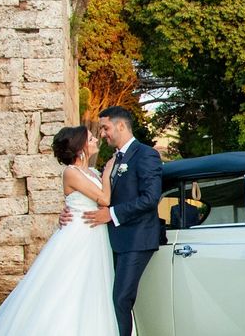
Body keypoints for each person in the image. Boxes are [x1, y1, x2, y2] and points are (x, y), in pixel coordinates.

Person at [0, 126, 119, 336]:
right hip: (79, 235)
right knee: (67, 287)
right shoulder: (71, 173)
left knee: (92, 288)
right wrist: (108, 173)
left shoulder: (91, 172)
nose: (95, 141)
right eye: (90, 139)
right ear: (80, 146)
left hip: (95, 234)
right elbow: (104, 199)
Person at [64, 106, 162, 336]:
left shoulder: (145, 154)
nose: (103, 134)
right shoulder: (114, 159)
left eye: (105, 128)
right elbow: (95, 194)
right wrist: (70, 209)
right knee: (111, 299)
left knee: (120, 299)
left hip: (137, 239)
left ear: (121, 125)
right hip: (113, 240)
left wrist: (112, 214)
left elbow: (150, 198)